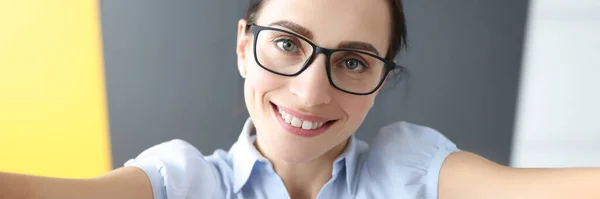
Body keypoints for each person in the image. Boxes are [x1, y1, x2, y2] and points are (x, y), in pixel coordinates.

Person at [1, 0, 599, 198]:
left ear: (382, 80)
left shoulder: (409, 169)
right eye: (288, 44)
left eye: (354, 61)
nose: (312, 92)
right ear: (244, 44)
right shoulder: (183, 181)